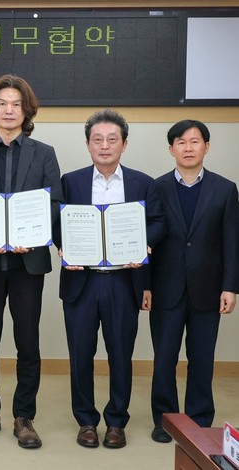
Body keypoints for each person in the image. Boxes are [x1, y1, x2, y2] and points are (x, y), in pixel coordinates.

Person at [0, 74, 63, 449]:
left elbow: (54, 203)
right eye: (2, 103)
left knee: (28, 342)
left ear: (26, 111)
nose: (8, 110)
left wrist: (32, 237)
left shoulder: (44, 153)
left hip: (27, 265)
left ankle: (24, 416)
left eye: (16, 104)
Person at [58, 109, 165, 449]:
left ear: (124, 144)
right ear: (88, 144)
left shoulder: (142, 183)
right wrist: (62, 246)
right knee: (80, 355)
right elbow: (58, 222)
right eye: (97, 139)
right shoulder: (70, 181)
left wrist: (144, 244)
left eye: (112, 139)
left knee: (121, 355)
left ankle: (117, 421)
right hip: (82, 282)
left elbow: (158, 222)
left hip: (123, 281)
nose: (104, 146)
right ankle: (86, 421)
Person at [147, 120, 237, 442]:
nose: (188, 147)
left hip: (208, 289)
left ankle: (198, 421)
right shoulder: (156, 188)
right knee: (164, 358)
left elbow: (232, 241)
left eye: (195, 141)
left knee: (202, 359)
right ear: (171, 149)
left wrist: (230, 286)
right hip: (165, 288)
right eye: (181, 142)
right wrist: (145, 285)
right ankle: (166, 420)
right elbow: (149, 239)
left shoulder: (225, 189)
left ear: (206, 147)